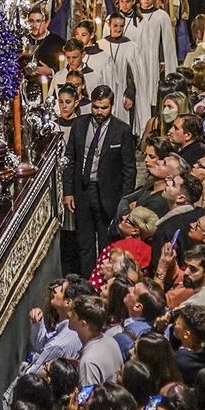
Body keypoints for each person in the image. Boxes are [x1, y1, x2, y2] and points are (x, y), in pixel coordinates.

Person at [63, 85, 137, 275]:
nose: (99, 112)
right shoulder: (79, 125)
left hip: (108, 194)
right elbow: (70, 159)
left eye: (103, 108)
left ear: (111, 106)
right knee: (84, 242)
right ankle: (87, 281)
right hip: (83, 190)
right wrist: (68, 191)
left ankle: (106, 281)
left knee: (107, 243)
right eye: (96, 107)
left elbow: (129, 169)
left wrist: (125, 200)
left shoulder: (122, 130)